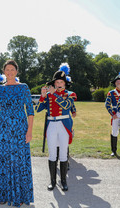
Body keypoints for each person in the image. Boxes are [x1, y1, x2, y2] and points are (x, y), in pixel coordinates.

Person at [0, 60, 34, 207]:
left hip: (20, 128)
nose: (9, 72)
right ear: (4, 72)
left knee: (20, 160)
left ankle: (21, 195)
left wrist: (29, 131)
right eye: (7, 70)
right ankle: (2, 194)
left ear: (16, 71)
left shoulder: (24, 88)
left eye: (12, 69)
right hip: (2, 129)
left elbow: (30, 111)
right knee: (3, 160)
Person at [36, 63, 76, 191]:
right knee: (52, 153)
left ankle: (63, 181)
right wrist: (42, 97)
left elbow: (66, 106)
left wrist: (53, 94)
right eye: (57, 82)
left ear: (65, 83)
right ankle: (52, 181)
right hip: (51, 125)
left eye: (61, 82)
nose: (59, 84)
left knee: (63, 153)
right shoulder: (48, 95)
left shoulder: (70, 94)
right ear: (54, 83)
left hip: (64, 125)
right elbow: (37, 109)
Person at [105, 70, 120, 156]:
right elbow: (107, 104)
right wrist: (112, 113)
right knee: (114, 132)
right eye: (117, 82)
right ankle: (114, 150)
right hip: (115, 114)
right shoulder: (111, 93)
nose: (118, 83)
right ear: (115, 83)